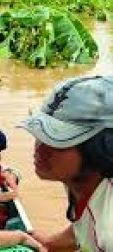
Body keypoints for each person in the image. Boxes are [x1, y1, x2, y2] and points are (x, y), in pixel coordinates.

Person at [20, 75, 113, 251]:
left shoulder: (109, 234)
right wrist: (49, 243)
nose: (40, 150)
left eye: (58, 142)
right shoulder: (78, 177)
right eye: (40, 135)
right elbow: (84, 225)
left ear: (100, 149)